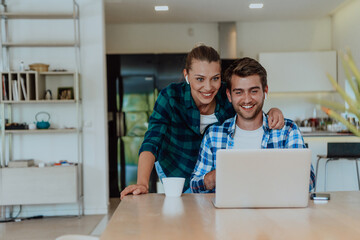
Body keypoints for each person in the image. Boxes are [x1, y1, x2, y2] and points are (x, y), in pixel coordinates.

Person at [120, 45, 285, 199]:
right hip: (175, 165)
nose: (208, 87)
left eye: (215, 78)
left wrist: (272, 112)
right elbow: (152, 140)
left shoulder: (226, 95)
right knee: (182, 212)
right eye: (200, 79)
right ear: (187, 76)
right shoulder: (170, 97)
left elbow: (249, 108)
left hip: (209, 172)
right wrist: (142, 183)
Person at [190, 57, 315, 193]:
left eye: (253, 91)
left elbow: (309, 181)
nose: (247, 99)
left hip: (275, 212)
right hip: (226, 213)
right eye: (239, 92)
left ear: (265, 91)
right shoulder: (214, 135)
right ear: (229, 96)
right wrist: (210, 179)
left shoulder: (287, 131)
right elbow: (195, 185)